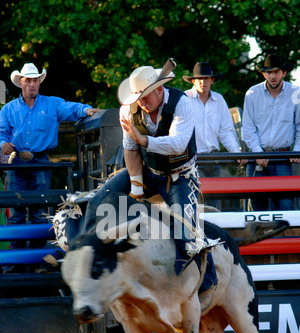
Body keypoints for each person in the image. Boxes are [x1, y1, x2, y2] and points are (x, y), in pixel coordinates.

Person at [80, 60, 216, 282]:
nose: (141, 102)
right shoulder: (128, 110)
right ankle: (83, 253)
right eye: (137, 98)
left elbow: (178, 144)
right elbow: (130, 149)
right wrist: (136, 184)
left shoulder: (183, 103)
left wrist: (143, 139)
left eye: (145, 97)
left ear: (160, 90)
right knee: (98, 201)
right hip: (147, 171)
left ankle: (206, 282)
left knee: (184, 229)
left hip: (180, 175)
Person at [0, 63, 99, 272]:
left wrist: (86, 109)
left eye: (36, 80)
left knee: (39, 210)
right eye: (29, 80)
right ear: (21, 83)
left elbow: (71, 108)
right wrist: (3, 144)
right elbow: (1, 133)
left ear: (38, 82)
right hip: (16, 162)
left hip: (40, 160)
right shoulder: (8, 109)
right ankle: (15, 262)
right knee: (15, 210)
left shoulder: (52, 104)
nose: (33, 84)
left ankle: (36, 261)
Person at [242, 54, 300, 211]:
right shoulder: (252, 94)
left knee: (285, 206)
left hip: (283, 157)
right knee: (257, 209)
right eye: (269, 72)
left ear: (284, 73)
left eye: (276, 72)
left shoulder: (296, 93)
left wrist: (297, 150)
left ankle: (285, 237)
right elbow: (247, 128)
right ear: (263, 74)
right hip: (257, 157)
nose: (272, 76)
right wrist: (258, 153)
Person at [183, 62, 241, 209]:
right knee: (195, 203)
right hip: (193, 160)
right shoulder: (184, 99)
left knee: (212, 205)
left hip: (214, 160)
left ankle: (210, 232)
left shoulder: (219, 100)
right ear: (193, 81)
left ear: (212, 80)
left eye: (207, 78)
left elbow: (226, 131)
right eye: (200, 79)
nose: (203, 82)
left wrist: (237, 153)